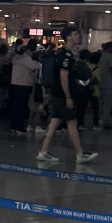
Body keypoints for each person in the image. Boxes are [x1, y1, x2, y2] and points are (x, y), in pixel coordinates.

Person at [37, 27, 98, 166]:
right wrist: (68, 97)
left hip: (57, 93)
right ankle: (79, 153)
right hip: (62, 95)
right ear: (68, 37)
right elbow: (63, 77)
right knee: (72, 122)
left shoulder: (63, 53)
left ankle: (43, 151)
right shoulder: (66, 56)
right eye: (76, 34)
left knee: (55, 122)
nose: (79, 36)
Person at [8, 39, 41, 136]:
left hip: (14, 84)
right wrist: (40, 63)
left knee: (15, 107)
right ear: (27, 51)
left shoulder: (16, 58)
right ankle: (19, 127)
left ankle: (13, 126)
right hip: (23, 85)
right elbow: (34, 66)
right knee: (22, 107)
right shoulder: (26, 58)